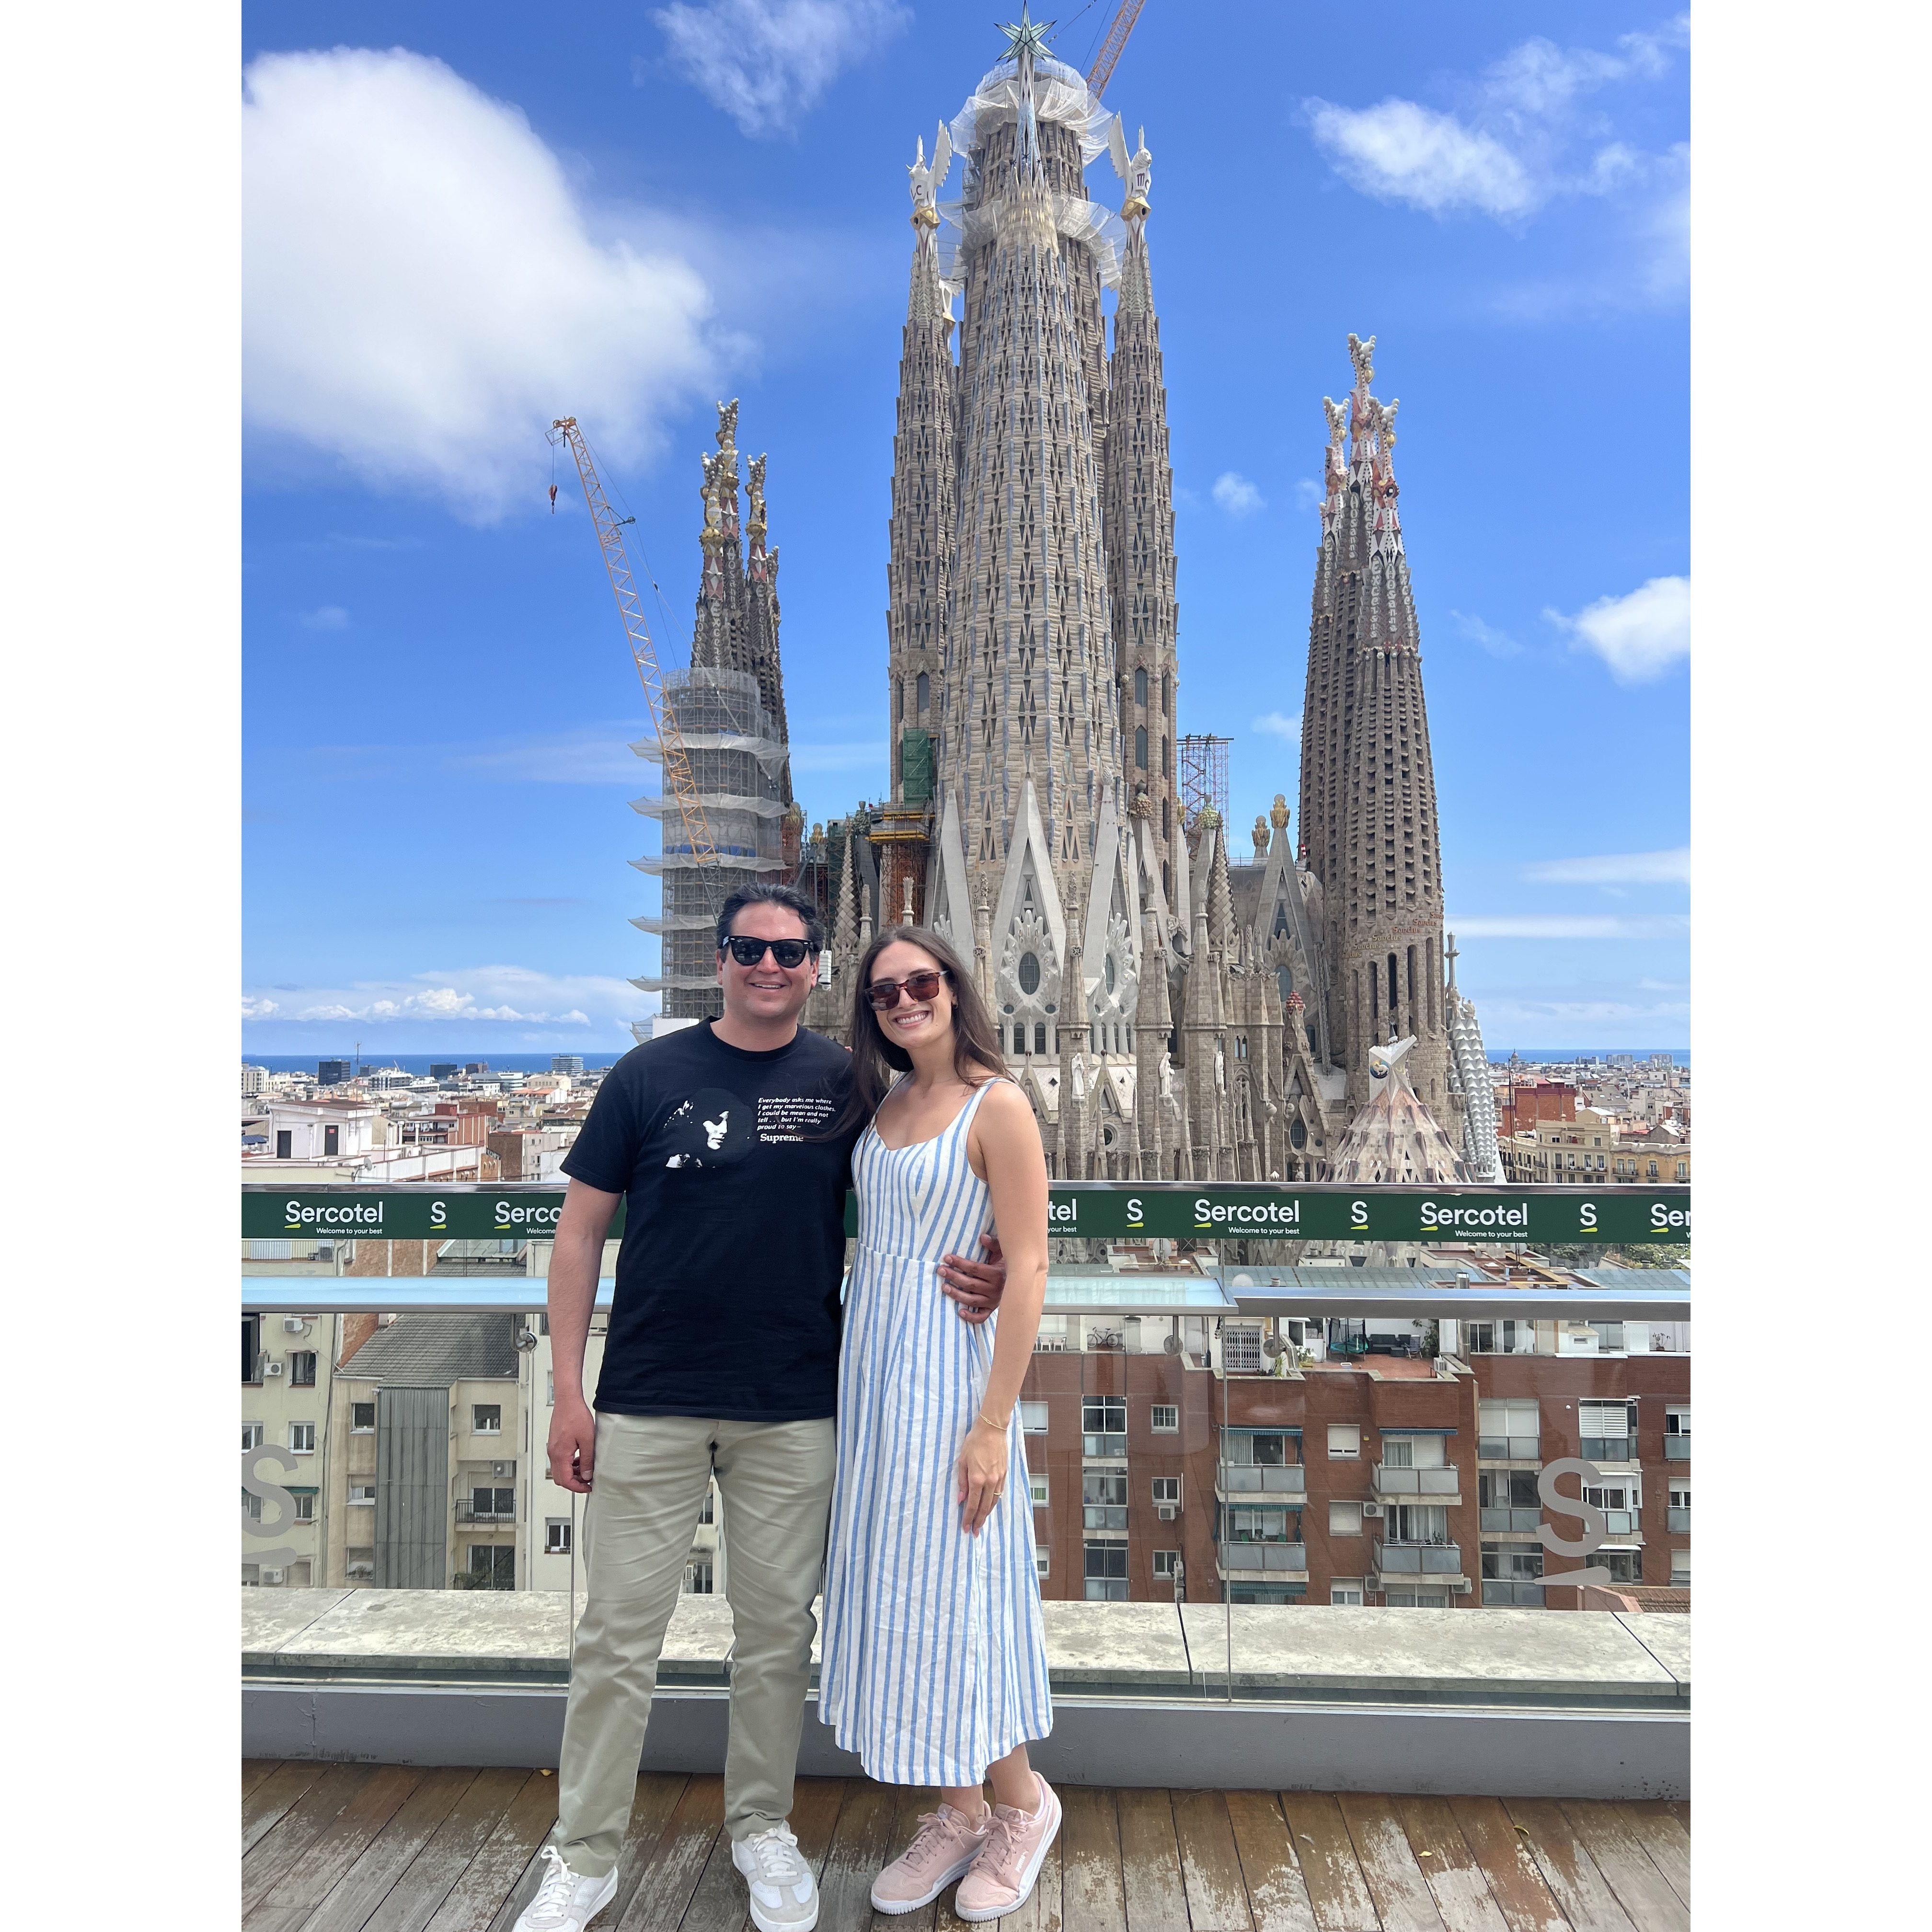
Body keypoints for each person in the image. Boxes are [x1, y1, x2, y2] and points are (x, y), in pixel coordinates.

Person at [518, 885, 1006, 1932]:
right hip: (649, 1396)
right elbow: (576, 1238)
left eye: (790, 952)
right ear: (721, 957)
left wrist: (1004, 1257)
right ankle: (586, 1854)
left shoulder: (848, 1082)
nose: (770, 966)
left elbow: (935, 1165)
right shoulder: (648, 1075)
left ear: (819, 967)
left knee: (777, 1638)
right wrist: (569, 1391)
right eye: (750, 948)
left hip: (795, 1401)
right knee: (616, 1637)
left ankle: (762, 1831)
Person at [817, 926, 1059, 1923]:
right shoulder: (886, 1106)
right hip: (874, 1381)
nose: (905, 1000)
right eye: (884, 993)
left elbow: (1032, 1263)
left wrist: (995, 1422)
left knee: (959, 1594)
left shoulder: (998, 1104)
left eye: (922, 983)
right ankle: (956, 1811)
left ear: (955, 991)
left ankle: (1022, 1806)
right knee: (902, 1591)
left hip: (950, 1383)